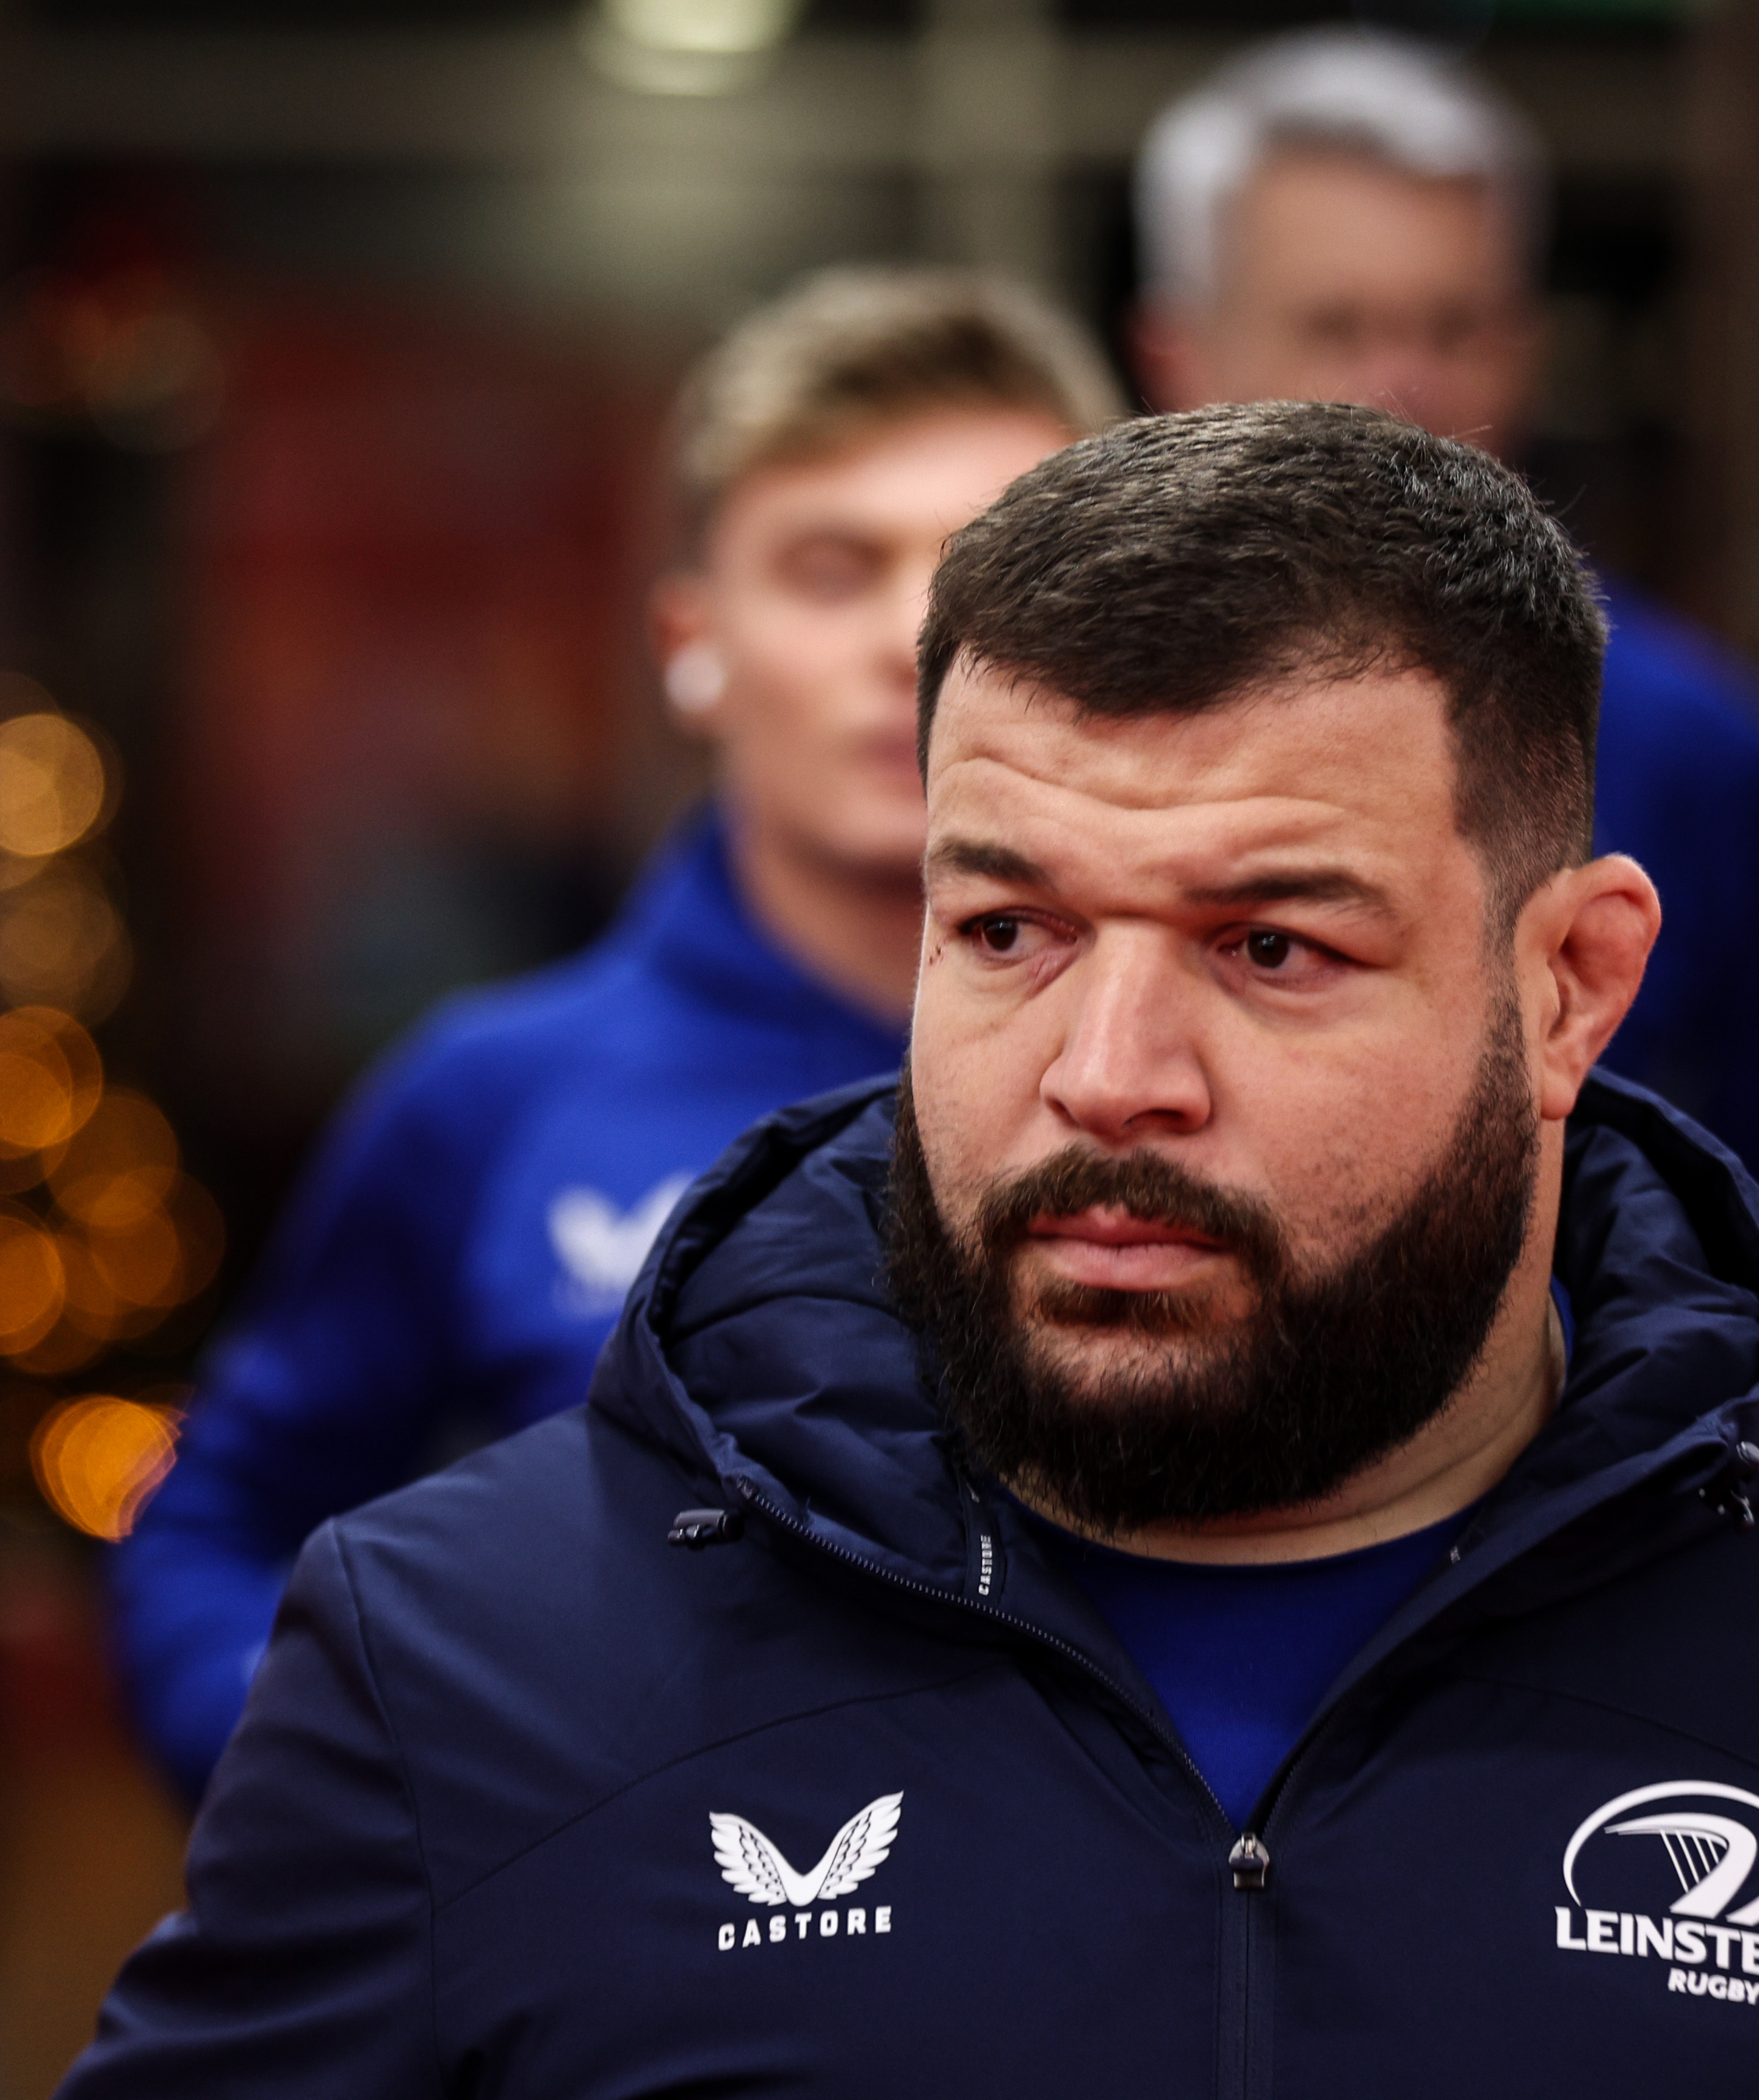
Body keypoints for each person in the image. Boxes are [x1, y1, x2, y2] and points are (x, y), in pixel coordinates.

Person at [63, 405, 1759, 2097]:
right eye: (1009, 931)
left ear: (1571, 988)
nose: (1108, 1073)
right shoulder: (455, 1669)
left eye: (1271, 946)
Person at [106, 270, 1123, 1805]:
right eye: (829, 569)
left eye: (987, 569)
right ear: (690, 642)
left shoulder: (1197, 1076)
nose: (913, 637)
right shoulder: (492, 1098)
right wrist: (341, 1785)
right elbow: (213, 1522)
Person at [1132, 29, 1759, 1418]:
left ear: (1527, 352)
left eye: (1454, 330)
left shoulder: (1695, 755)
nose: (1405, 386)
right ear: (1177, 351)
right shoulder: (1063, 730)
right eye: (1336, 327)